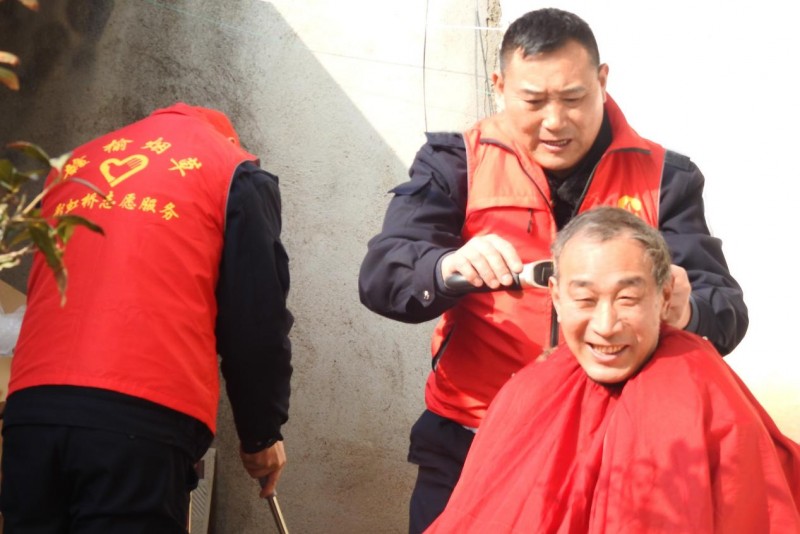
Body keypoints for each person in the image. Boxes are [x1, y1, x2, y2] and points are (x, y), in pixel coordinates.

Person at [358, 8, 749, 532]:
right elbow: (381, 277)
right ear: (500, 86)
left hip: (613, 452)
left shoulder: (666, 177)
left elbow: (725, 311)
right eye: (534, 101)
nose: (555, 121)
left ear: (602, 81)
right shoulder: (455, 161)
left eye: (573, 98)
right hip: (471, 439)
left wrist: (687, 308)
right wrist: (445, 267)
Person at [0, 103, 293, 533]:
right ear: (231, 139)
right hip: (138, 417)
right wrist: (262, 434)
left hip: (32, 411)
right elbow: (255, 318)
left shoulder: (76, 163)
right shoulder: (233, 170)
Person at [425, 206, 800, 533]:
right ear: (557, 296)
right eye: (585, 299)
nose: (605, 325)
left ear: (665, 296)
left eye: (628, 298)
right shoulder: (525, 394)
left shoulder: (706, 397)